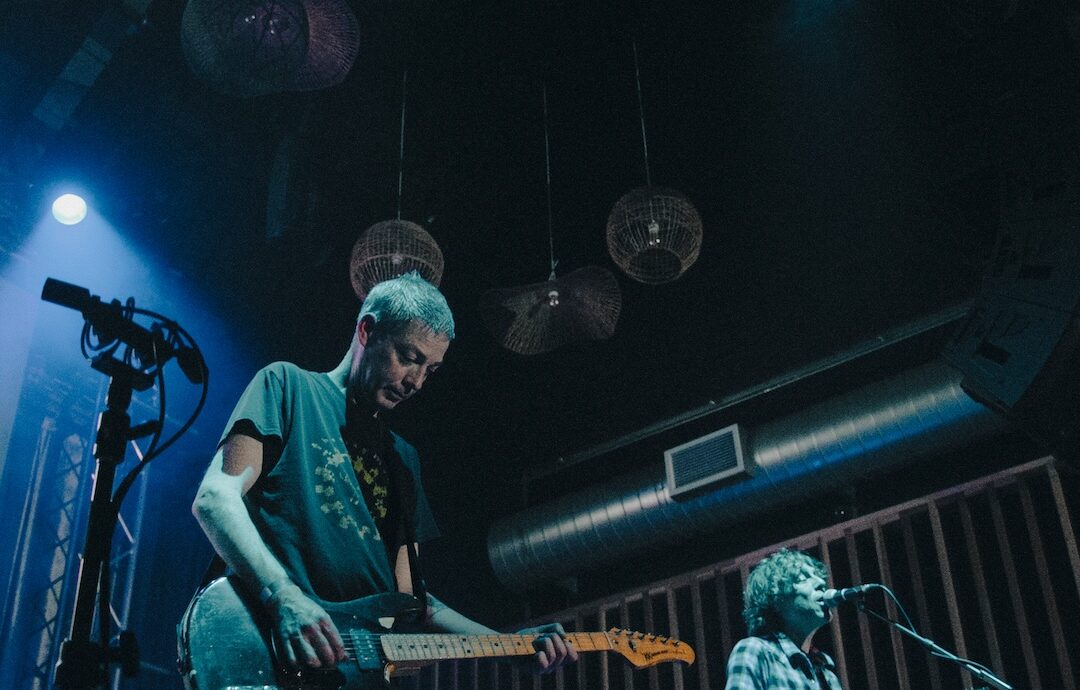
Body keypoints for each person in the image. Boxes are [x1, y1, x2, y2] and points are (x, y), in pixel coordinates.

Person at [192, 271, 577, 674]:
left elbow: (412, 602)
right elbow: (215, 499)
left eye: (431, 370)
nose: (416, 382)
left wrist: (507, 646)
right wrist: (282, 596)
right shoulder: (288, 387)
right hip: (268, 651)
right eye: (409, 357)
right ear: (367, 330)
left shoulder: (403, 461)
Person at [724, 548, 842, 690]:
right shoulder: (755, 651)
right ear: (776, 600)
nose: (821, 582)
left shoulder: (826, 671)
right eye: (803, 579)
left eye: (818, 576)